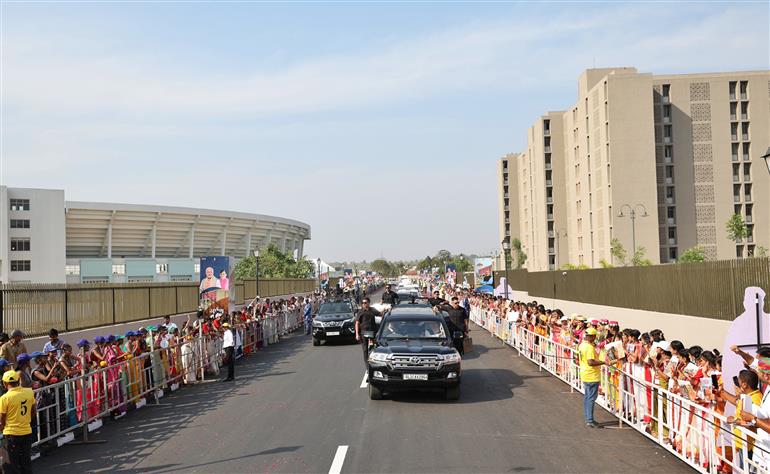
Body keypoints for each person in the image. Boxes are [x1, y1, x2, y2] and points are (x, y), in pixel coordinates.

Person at [0, 370, 35, 474]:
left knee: (14, 463)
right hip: (26, 431)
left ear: (5, 383)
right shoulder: (29, 392)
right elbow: (33, 410)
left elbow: (2, 417)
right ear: (18, 380)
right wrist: (26, 420)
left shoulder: (4, 398)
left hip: (11, 433)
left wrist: (2, 428)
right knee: (26, 461)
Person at [579, 327, 605, 428]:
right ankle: (590, 420)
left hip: (585, 374)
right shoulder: (589, 347)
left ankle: (588, 417)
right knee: (591, 398)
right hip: (592, 375)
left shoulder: (582, 345)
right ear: (592, 336)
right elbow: (591, 362)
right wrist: (603, 362)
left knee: (587, 397)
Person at [355, 298, 382, 366]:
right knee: (365, 350)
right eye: (363, 303)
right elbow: (357, 323)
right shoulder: (360, 312)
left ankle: (374, 361)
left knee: (374, 347)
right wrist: (357, 334)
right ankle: (367, 366)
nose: (364, 304)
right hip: (364, 333)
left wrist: (385, 311)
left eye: (365, 303)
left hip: (372, 332)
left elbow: (380, 314)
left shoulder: (372, 310)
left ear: (369, 303)